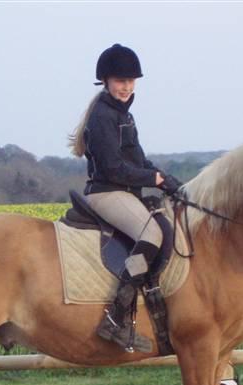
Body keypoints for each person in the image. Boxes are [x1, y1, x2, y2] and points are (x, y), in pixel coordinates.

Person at [69, 43, 181, 352]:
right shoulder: (103, 116)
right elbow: (114, 169)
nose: (126, 87)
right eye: (120, 81)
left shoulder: (123, 115)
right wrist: (152, 179)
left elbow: (138, 161)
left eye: (131, 81)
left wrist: (167, 180)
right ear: (106, 81)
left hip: (125, 191)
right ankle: (115, 319)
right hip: (107, 192)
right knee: (151, 234)